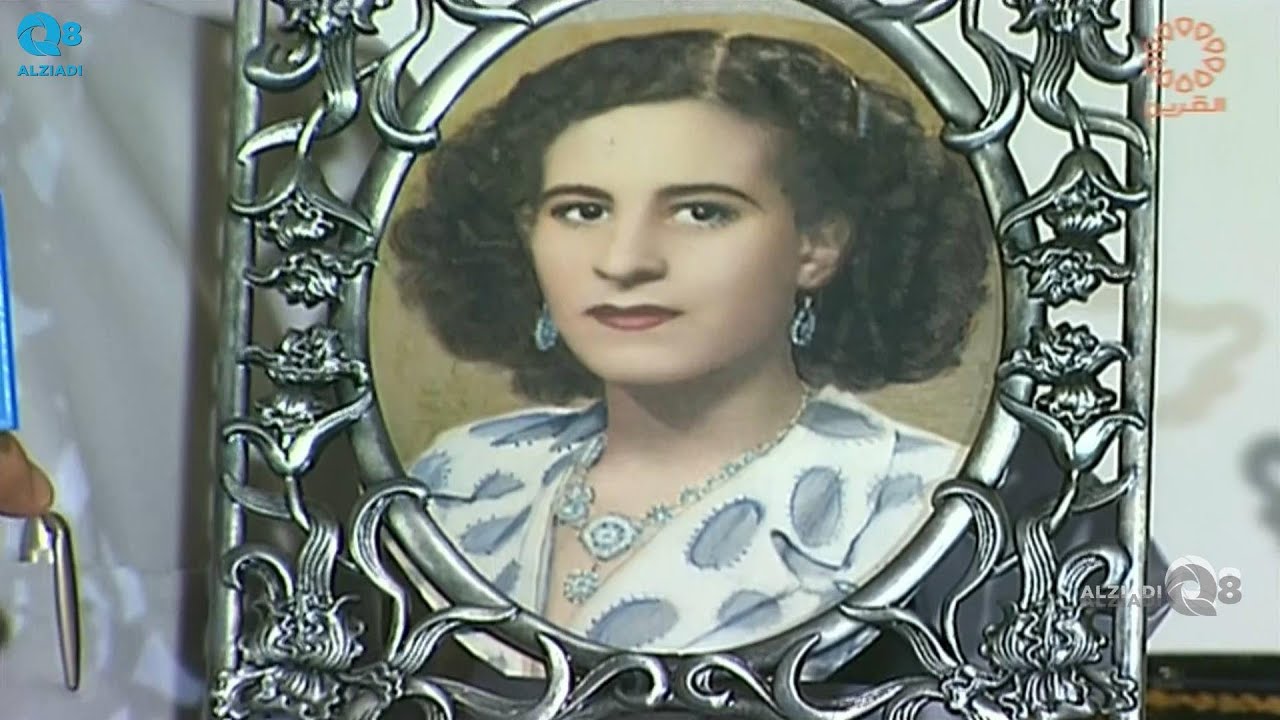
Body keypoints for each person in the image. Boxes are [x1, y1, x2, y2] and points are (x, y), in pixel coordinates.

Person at [391, 30, 992, 665]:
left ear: (818, 243)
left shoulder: (923, 504)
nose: (625, 262)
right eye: (582, 211)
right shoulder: (459, 478)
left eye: (701, 212)